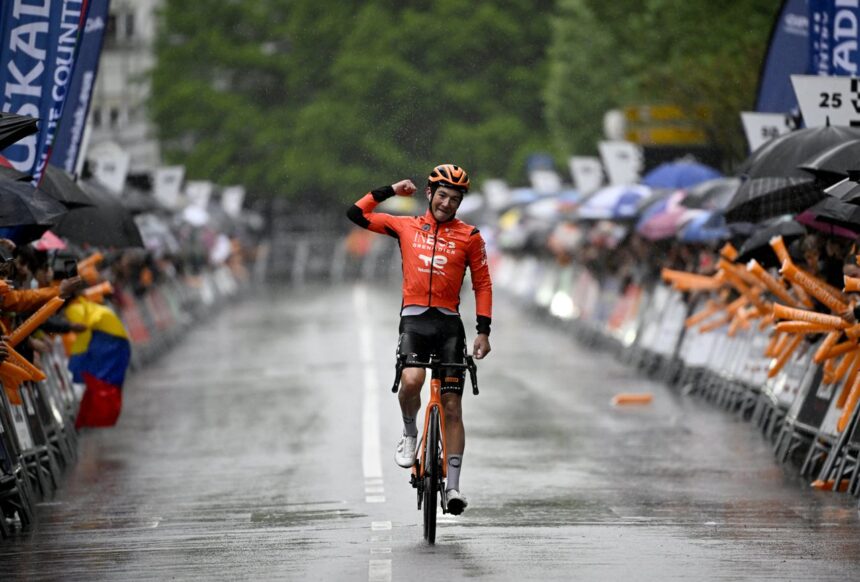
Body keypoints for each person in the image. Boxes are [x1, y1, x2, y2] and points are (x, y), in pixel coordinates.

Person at [347, 163, 492, 514]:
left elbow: (482, 284)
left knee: (453, 405)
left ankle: (453, 488)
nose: (446, 204)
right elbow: (356, 213)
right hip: (414, 321)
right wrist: (391, 191)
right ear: (430, 194)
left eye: (454, 199)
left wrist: (483, 331)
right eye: (442, 196)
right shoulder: (406, 226)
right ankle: (410, 433)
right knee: (411, 380)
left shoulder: (470, 236)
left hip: (448, 326)